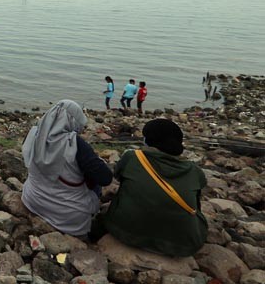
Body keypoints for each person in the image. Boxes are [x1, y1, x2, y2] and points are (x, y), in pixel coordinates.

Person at [97, 119, 207, 256]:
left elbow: (119, 177)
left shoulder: (132, 157)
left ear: (149, 140)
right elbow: (196, 204)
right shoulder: (195, 172)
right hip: (182, 244)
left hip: (125, 231)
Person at [21, 100, 113, 236]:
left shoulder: (34, 134)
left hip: (32, 200)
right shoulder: (75, 144)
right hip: (68, 216)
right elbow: (105, 178)